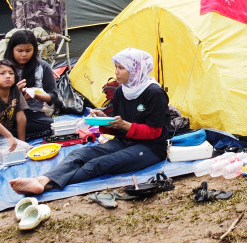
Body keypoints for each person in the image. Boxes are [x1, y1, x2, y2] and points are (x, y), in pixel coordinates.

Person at [9, 48, 171, 195]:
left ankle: (46, 184)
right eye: (116, 67)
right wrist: (103, 121)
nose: (116, 72)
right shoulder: (121, 91)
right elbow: (117, 126)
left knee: (99, 164)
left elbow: (155, 132)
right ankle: (43, 179)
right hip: (124, 141)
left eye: (121, 68)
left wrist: (125, 125)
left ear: (135, 70)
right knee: (80, 153)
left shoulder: (154, 93)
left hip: (151, 148)